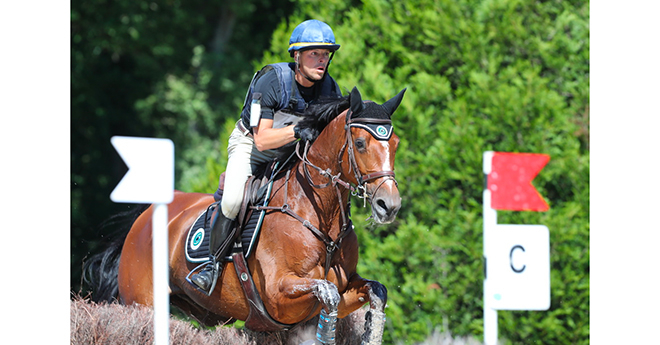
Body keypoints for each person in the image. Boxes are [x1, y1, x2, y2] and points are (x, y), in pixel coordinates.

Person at [190, 19, 343, 294]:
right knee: (235, 198)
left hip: (291, 152)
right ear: (297, 55)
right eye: (314, 54)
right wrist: (299, 130)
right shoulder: (271, 80)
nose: (322, 60)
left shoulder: (330, 89)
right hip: (250, 146)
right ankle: (211, 265)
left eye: (326, 54)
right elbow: (262, 140)